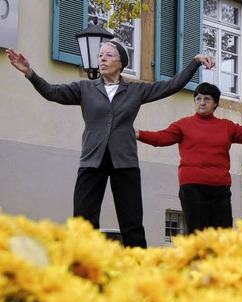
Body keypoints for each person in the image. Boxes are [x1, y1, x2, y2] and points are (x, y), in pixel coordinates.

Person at [6, 43, 215, 248]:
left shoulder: (135, 90)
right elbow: (52, 92)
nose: (102, 59)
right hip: (91, 160)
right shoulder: (84, 88)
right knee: (83, 220)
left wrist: (194, 62)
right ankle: (85, 265)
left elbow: (171, 86)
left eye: (108, 55)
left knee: (131, 221)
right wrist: (30, 73)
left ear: (121, 62)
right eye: (100, 55)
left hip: (124, 161)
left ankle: (137, 268)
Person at [136, 83, 242, 235]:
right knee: (196, 234)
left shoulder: (226, 126)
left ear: (215, 103)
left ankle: (220, 259)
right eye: (198, 99)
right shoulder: (183, 124)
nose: (201, 103)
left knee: (223, 234)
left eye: (207, 99)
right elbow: (161, 138)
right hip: (192, 186)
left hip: (220, 188)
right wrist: (138, 134)